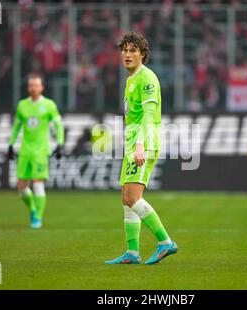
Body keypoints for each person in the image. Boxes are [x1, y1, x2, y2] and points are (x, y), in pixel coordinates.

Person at [105, 32, 177, 265]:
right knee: (126, 198)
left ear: (143, 54)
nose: (127, 54)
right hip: (132, 143)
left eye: (133, 50)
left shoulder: (147, 78)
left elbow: (147, 115)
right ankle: (133, 253)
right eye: (124, 50)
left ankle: (165, 242)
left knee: (134, 197)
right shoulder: (131, 78)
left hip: (144, 143)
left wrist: (139, 145)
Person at [7, 74, 64, 228]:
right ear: (28, 88)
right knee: (21, 187)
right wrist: (11, 144)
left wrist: (60, 143)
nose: (33, 88)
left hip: (40, 150)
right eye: (31, 85)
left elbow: (58, 125)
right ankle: (33, 208)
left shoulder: (49, 105)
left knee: (38, 183)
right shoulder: (22, 105)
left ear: (42, 87)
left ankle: (37, 217)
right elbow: (17, 126)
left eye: (36, 85)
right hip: (25, 150)